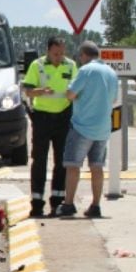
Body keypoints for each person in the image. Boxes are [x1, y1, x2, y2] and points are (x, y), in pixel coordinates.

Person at [58, 41, 118, 218]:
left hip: (82, 127)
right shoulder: (111, 72)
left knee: (73, 166)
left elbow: (70, 94)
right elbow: (114, 100)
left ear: (84, 55)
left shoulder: (86, 70)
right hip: (103, 129)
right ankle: (95, 205)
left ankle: (69, 204)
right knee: (97, 168)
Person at [22, 36, 77, 217]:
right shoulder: (37, 65)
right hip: (42, 118)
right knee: (39, 161)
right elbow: (27, 90)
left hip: (63, 117)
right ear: (48, 51)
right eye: (55, 54)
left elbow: (76, 89)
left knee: (61, 161)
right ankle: (37, 203)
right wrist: (41, 92)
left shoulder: (70, 65)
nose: (58, 57)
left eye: (61, 53)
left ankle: (58, 202)